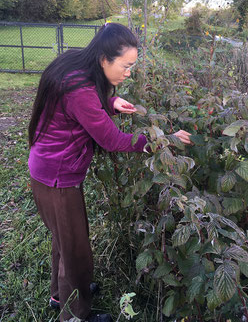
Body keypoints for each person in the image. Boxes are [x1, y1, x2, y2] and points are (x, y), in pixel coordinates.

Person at [28, 22, 192, 322]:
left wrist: (111, 101)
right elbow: (111, 140)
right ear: (105, 59)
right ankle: (75, 315)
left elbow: (86, 102)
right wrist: (163, 141)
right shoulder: (80, 89)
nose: (128, 73)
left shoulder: (77, 65)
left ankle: (59, 295)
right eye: (126, 65)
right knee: (75, 251)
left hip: (48, 170)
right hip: (57, 177)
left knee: (64, 239)